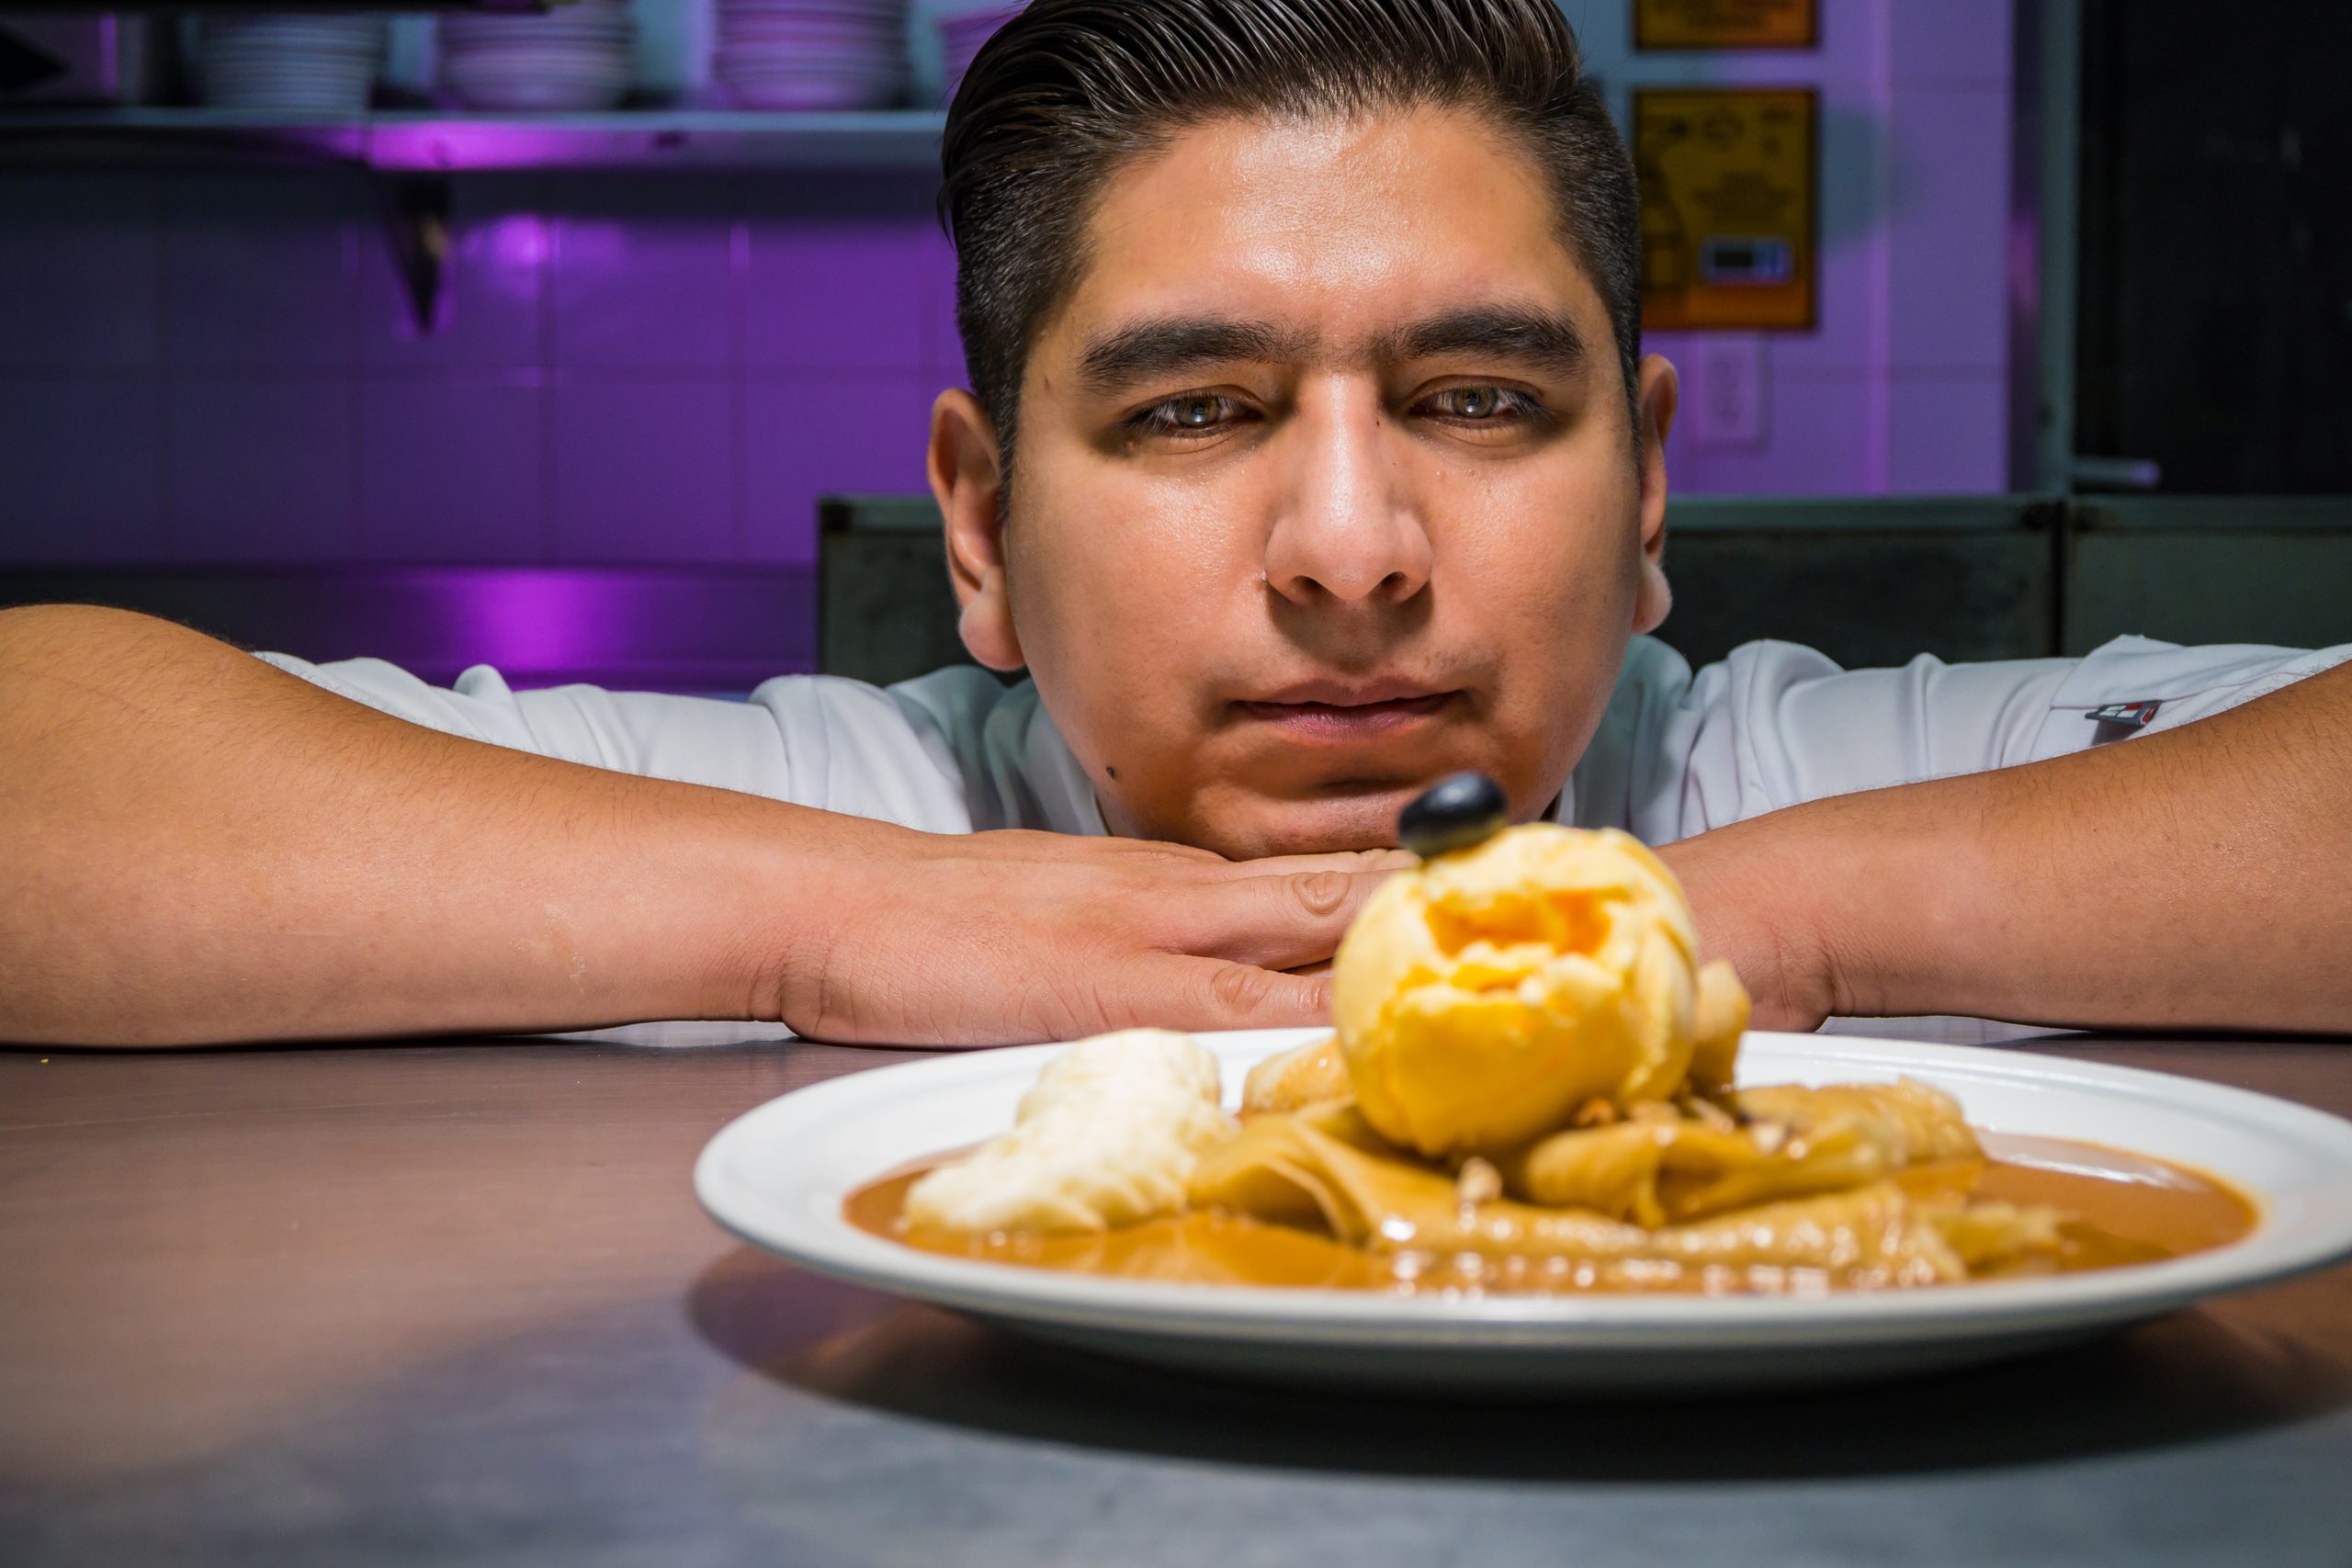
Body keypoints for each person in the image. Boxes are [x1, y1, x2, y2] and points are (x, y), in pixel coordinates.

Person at [2, 0, 2346, 1050]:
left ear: (1646, 491)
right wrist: (835, 924)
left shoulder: (1784, 777)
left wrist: (1767, 920)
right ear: (978, 528)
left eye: (1475, 398)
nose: (1349, 546)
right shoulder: (868, 810)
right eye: (1196, 408)